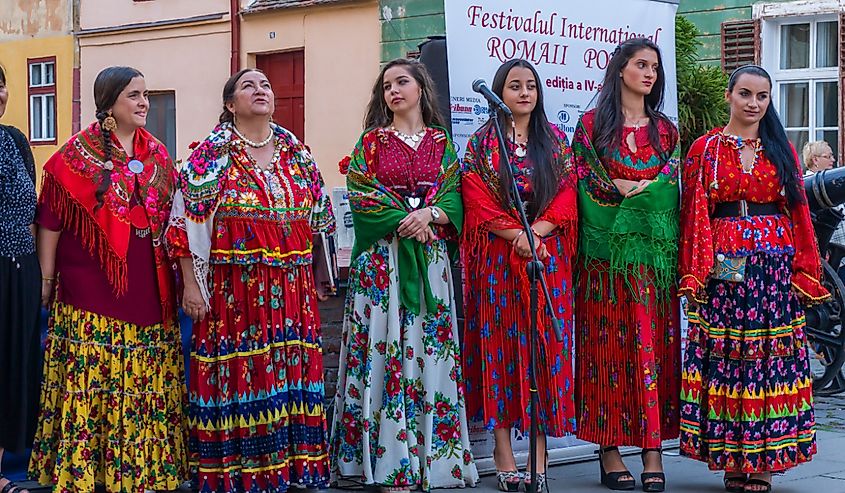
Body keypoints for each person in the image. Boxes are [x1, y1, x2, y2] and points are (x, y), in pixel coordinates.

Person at [166, 68, 336, 493]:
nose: (260, 90)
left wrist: (320, 274)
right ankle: (240, 472)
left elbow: (318, 220)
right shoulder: (212, 152)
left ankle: (293, 469)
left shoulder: (296, 150)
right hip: (233, 295)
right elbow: (182, 225)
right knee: (243, 375)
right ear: (230, 104)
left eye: (265, 85)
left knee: (289, 374)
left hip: (292, 292)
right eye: (248, 85)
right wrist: (191, 285)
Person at [28, 66, 188, 492]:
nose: (143, 103)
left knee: (146, 375)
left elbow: (175, 217)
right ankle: (89, 469)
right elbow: (50, 222)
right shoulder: (73, 157)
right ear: (110, 103)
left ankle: (144, 469)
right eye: (134, 95)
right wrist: (46, 279)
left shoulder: (158, 153)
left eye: (146, 95)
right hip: (91, 288)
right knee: (96, 373)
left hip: (150, 285)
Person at [329, 58, 477, 492]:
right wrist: (403, 219)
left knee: (428, 351)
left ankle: (434, 461)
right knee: (381, 348)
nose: (393, 91)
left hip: (430, 264)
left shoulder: (441, 142)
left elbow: (455, 195)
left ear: (420, 88)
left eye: (402, 82)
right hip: (381, 263)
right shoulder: (371, 142)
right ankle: (384, 460)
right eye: (387, 85)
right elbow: (360, 191)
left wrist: (431, 213)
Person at [678, 64, 828, 493]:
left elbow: (798, 211)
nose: (753, 103)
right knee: (731, 355)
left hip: (774, 264)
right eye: (745, 94)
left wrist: (804, 268)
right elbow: (695, 213)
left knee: (768, 357)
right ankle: (732, 458)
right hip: (725, 257)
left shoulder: (781, 147)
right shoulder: (704, 150)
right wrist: (698, 271)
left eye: (762, 97)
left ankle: (764, 460)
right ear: (729, 96)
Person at [461, 58, 577, 493]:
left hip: (547, 258)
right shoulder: (480, 144)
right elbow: (474, 198)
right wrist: (517, 236)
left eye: (530, 86)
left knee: (545, 352)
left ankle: (541, 456)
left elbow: (568, 195)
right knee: (502, 349)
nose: (524, 93)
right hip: (498, 260)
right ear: (499, 92)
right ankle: (503, 450)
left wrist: (538, 233)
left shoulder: (556, 142)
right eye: (514, 86)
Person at [571, 38, 681, 493]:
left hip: (653, 264)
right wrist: (614, 184)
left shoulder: (667, 131)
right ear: (620, 69)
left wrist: (645, 189)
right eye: (641, 65)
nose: (650, 73)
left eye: (655, 67)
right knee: (607, 351)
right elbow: (579, 178)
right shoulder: (592, 126)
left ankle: (653, 449)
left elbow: (674, 181)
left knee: (653, 349)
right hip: (606, 265)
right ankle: (609, 448)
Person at [0, 65, 40, 493]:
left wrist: (38, 275)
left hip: (20, 267)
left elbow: (31, 210)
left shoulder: (14, 140)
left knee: (13, 366)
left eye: (0, 84)